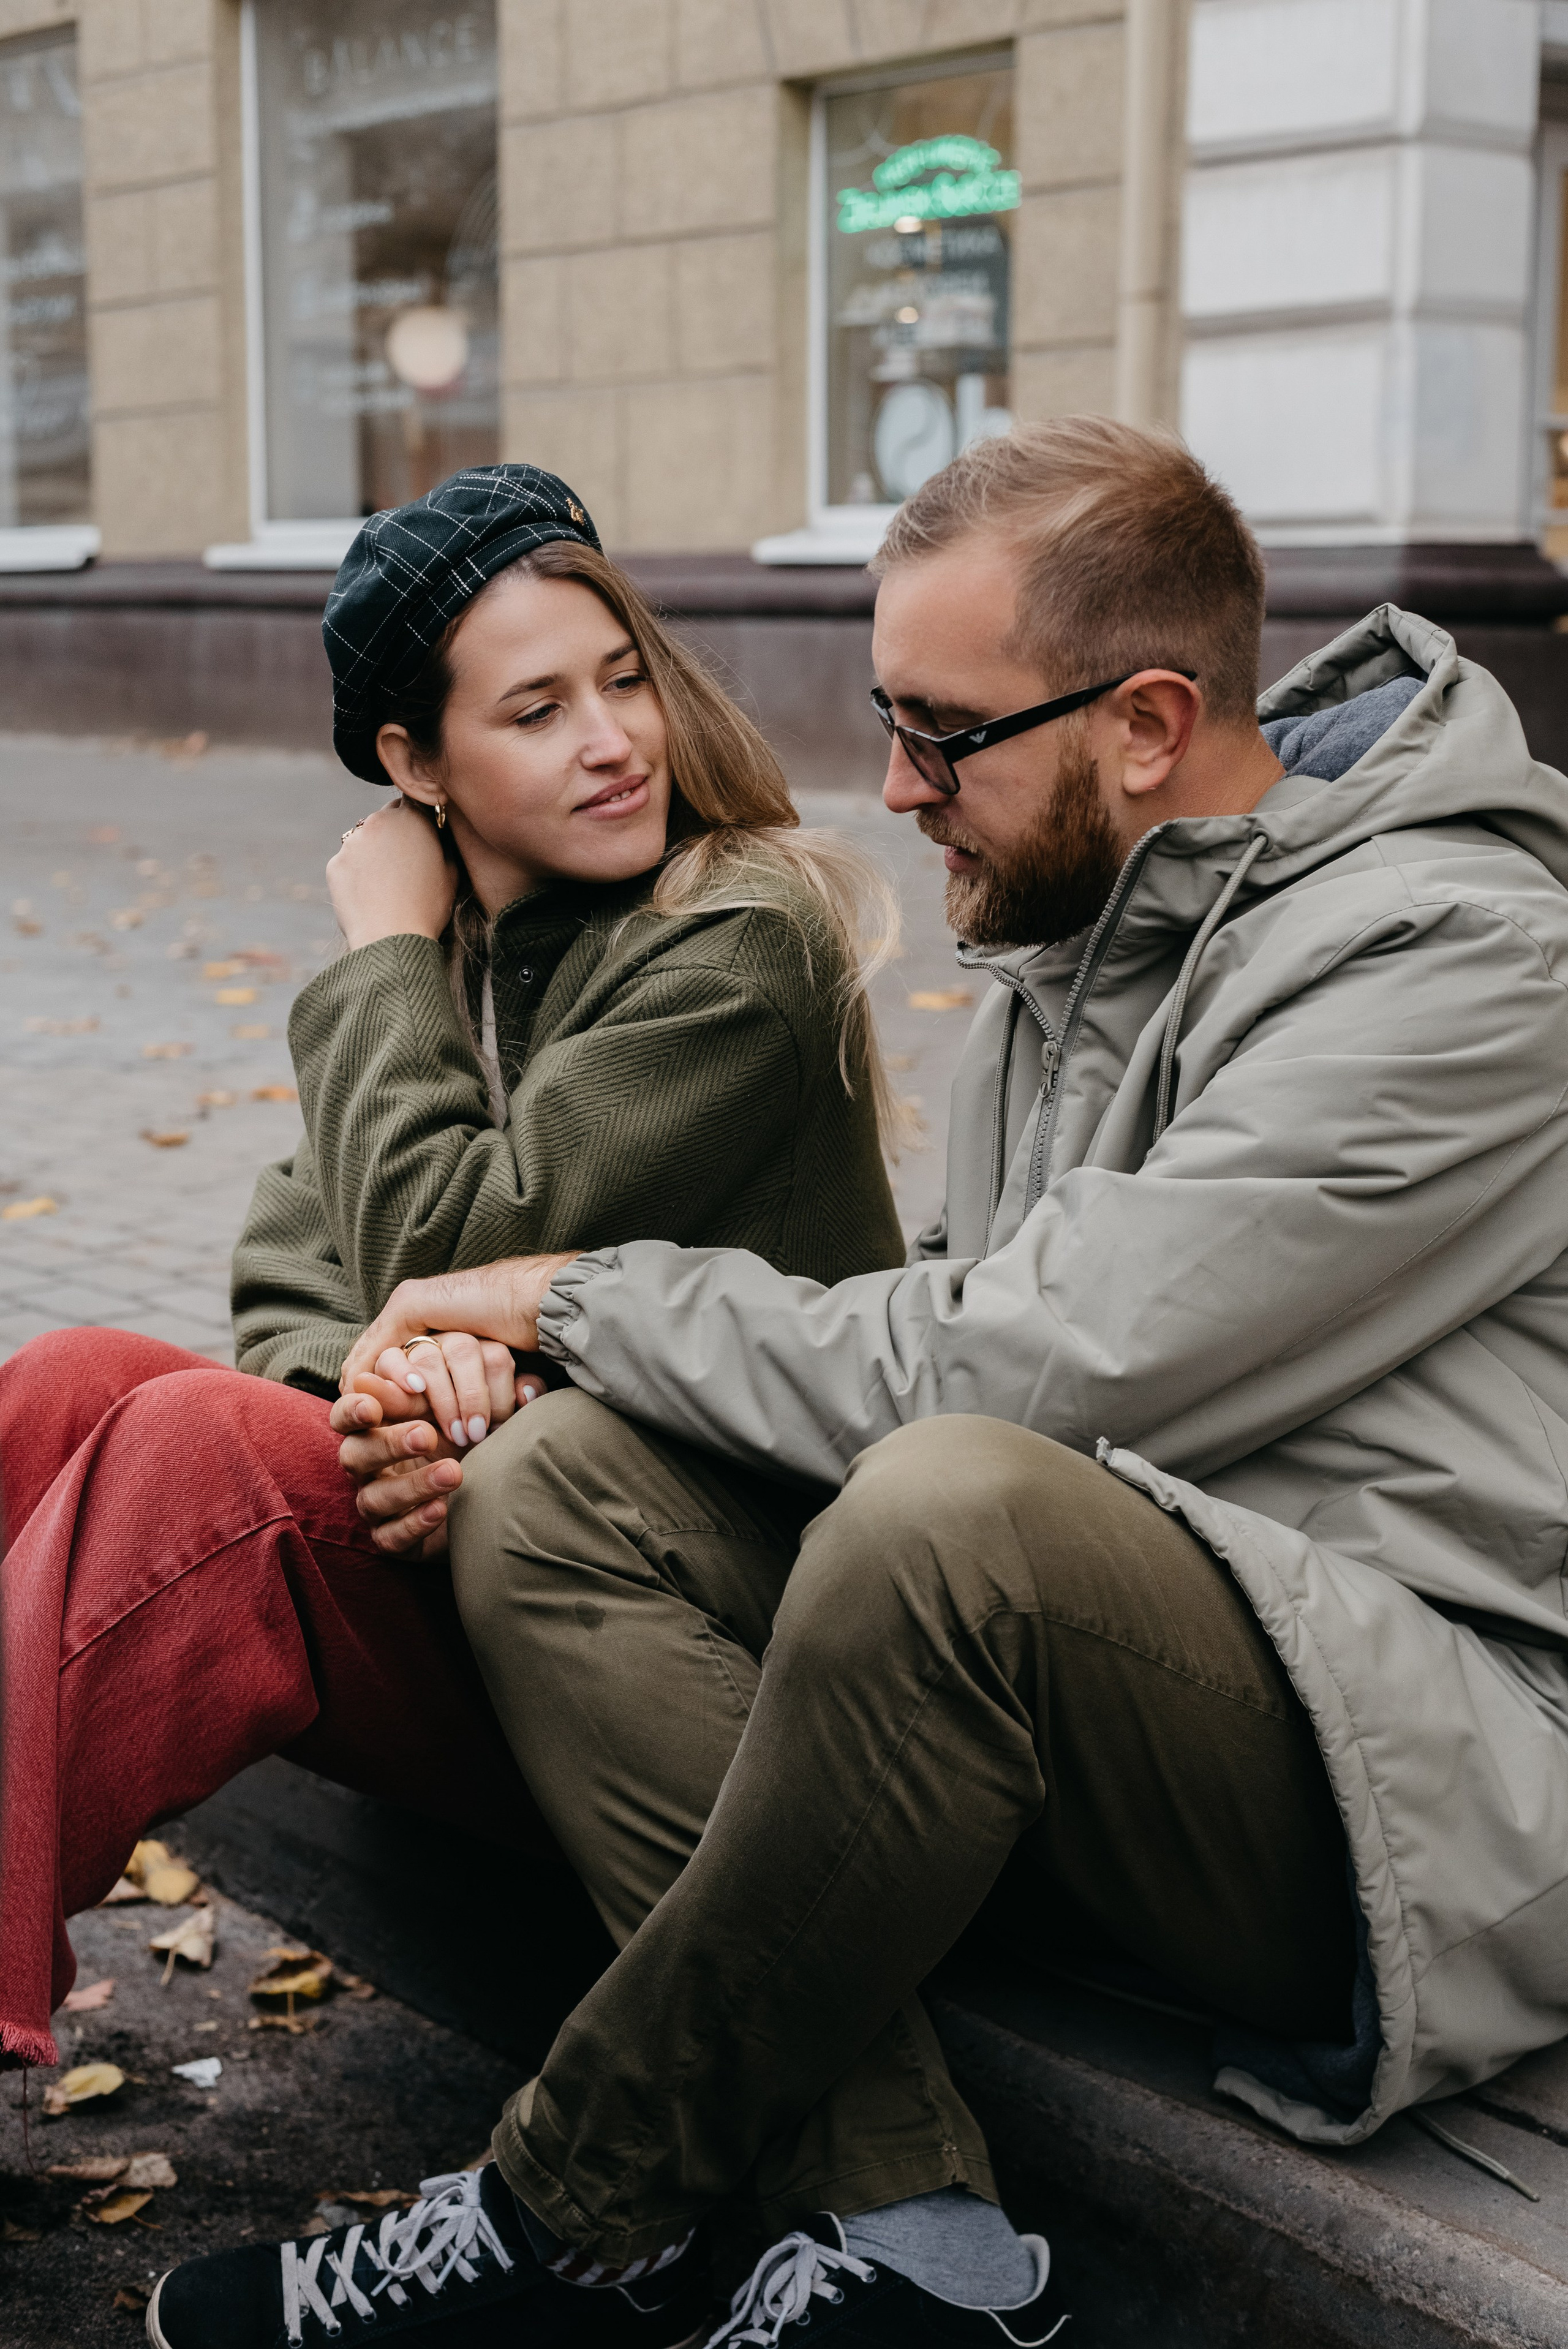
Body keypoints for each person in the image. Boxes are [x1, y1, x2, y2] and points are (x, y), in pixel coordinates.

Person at [147, 416, 1568, 2349]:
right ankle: (912, 2237)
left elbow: (1039, 1363)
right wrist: (500, 1377)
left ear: (1145, 723)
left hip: (1425, 1791)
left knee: (947, 1506)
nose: (893, 785)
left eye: (943, 729)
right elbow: (948, 1317)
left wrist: (568, 1294)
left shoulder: (1463, 964)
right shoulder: (1073, 946)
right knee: (561, 1485)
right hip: (1125, 1688)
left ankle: (565, 2209)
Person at [0, 464, 907, 2090]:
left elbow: (432, 1238)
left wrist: (383, 960)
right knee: (68, 1383)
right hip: (495, 1568)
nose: (615, 737)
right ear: (418, 765)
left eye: (624, 676)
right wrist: (400, 1401)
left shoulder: (737, 942)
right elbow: (297, 1268)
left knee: (201, 1465)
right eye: (540, 708)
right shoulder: (474, 968)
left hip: (710, 1638)